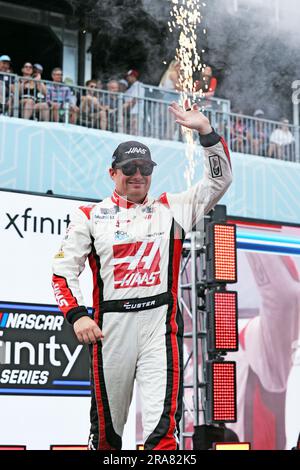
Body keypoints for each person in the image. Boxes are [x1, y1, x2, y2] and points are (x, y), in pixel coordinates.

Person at [52, 101, 233, 450]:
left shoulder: (171, 208)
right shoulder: (88, 215)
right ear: (112, 172)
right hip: (111, 331)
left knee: (161, 435)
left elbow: (220, 179)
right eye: (129, 167)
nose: (138, 174)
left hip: (158, 329)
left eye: (145, 168)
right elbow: (62, 273)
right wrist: (76, 317)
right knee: (106, 435)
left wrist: (206, 133)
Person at [123, 69, 145, 135]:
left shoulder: (139, 85)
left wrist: (125, 108)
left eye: (128, 76)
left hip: (136, 111)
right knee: (132, 130)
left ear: (133, 76)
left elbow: (134, 99)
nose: (127, 78)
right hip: (132, 111)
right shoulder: (132, 86)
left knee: (136, 131)